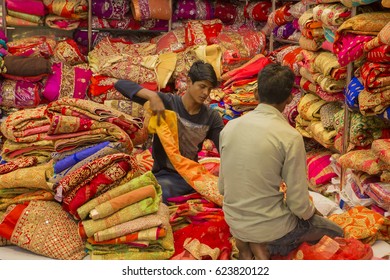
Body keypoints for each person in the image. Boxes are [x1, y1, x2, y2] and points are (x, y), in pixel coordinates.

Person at [218, 63, 343, 260]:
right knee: (338, 233)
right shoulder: (289, 136)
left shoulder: (230, 128)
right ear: (289, 98)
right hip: (270, 228)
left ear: (256, 94)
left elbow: (223, 188)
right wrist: (314, 214)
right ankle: (269, 247)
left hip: (235, 221)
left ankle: (250, 243)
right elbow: (298, 204)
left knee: (266, 217)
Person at [115, 60, 225, 204]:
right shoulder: (167, 103)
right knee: (141, 194)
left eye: (209, 89)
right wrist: (152, 96)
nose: (206, 93)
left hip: (189, 174)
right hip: (164, 173)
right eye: (202, 86)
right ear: (189, 82)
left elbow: (225, 148)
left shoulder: (211, 117)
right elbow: (120, 84)